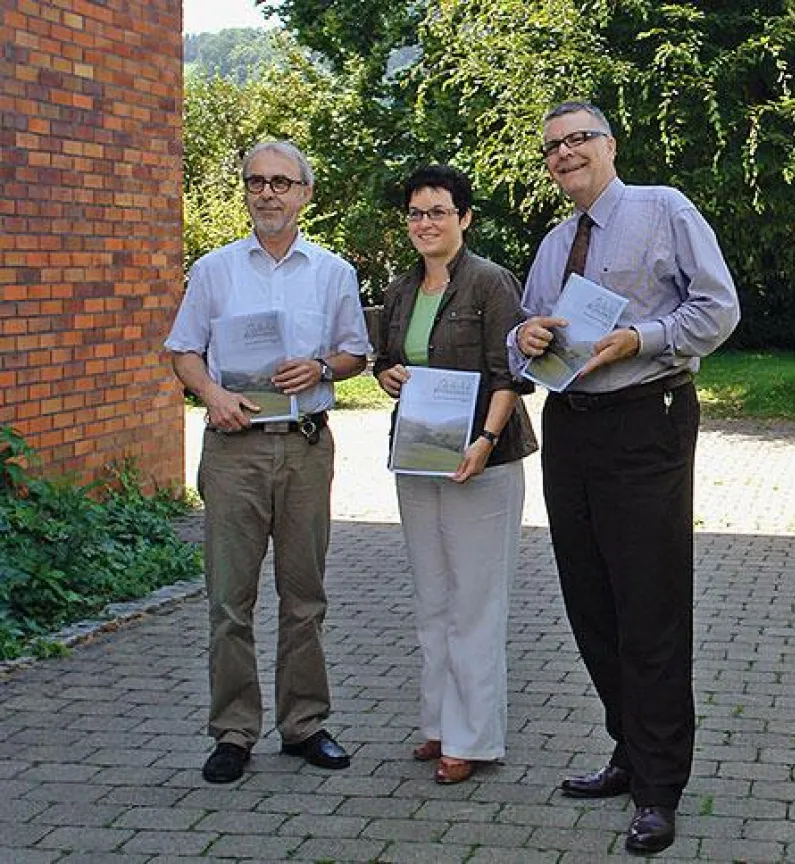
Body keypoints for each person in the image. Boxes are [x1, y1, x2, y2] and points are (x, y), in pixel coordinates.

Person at [511, 102, 740, 853]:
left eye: (578, 138)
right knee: (591, 602)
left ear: (610, 144)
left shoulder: (663, 209)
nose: (564, 153)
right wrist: (524, 335)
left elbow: (718, 309)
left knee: (650, 605)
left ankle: (659, 788)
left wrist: (640, 338)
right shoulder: (554, 243)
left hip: (647, 420)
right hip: (571, 428)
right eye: (552, 146)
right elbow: (525, 338)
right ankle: (628, 749)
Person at [165, 140, 371, 784]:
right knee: (230, 599)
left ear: (305, 193)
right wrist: (212, 394)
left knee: (304, 596)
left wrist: (321, 367)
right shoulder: (215, 269)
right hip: (234, 450)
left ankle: (304, 724)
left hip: (305, 445)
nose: (268, 193)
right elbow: (183, 350)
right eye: (256, 181)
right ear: (246, 191)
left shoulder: (332, 271)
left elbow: (355, 353)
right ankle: (233, 731)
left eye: (282, 182)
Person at [375, 165, 537, 785]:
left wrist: (485, 440)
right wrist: (387, 375)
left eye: (438, 212)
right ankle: (439, 724)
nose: (425, 224)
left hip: (480, 462)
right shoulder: (400, 289)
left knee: (476, 602)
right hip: (418, 458)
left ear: (464, 218)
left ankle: (473, 738)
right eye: (416, 213)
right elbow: (387, 361)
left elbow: (510, 372)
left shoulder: (492, 283)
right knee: (433, 599)